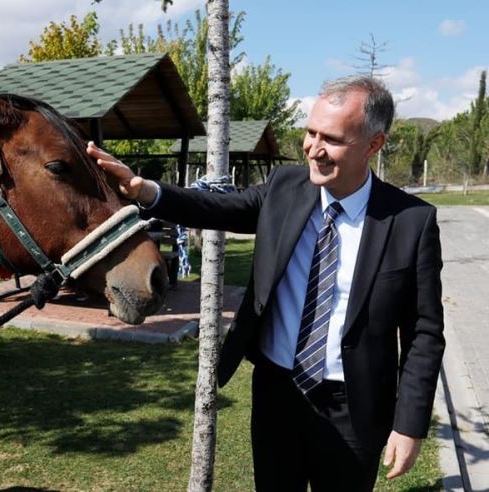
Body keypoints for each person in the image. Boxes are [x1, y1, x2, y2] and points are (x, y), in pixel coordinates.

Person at [87, 75, 444, 491]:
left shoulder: (411, 223)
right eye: (310, 132)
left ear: (374, 145)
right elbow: (217, 207)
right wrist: (147, 191)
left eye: (331, 138)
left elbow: (424, 333)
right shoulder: (284, 188)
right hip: (278, 395)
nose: (313, 148)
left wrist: (409, 425)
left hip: (355, 408)